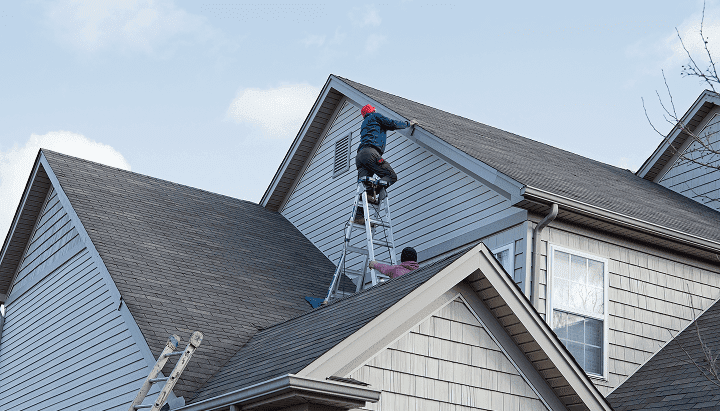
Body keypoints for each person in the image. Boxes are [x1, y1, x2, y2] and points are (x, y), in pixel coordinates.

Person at [353, 104, 417, 225]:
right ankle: (373, 192)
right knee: (391, 176)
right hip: (371, 153)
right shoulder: (375, 117)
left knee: (363, 186)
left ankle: (359, 216)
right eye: (374, 110)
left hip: (360, 156)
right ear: (372, 111)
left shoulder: (365, 123)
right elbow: (392, 123)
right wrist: (409, 123)